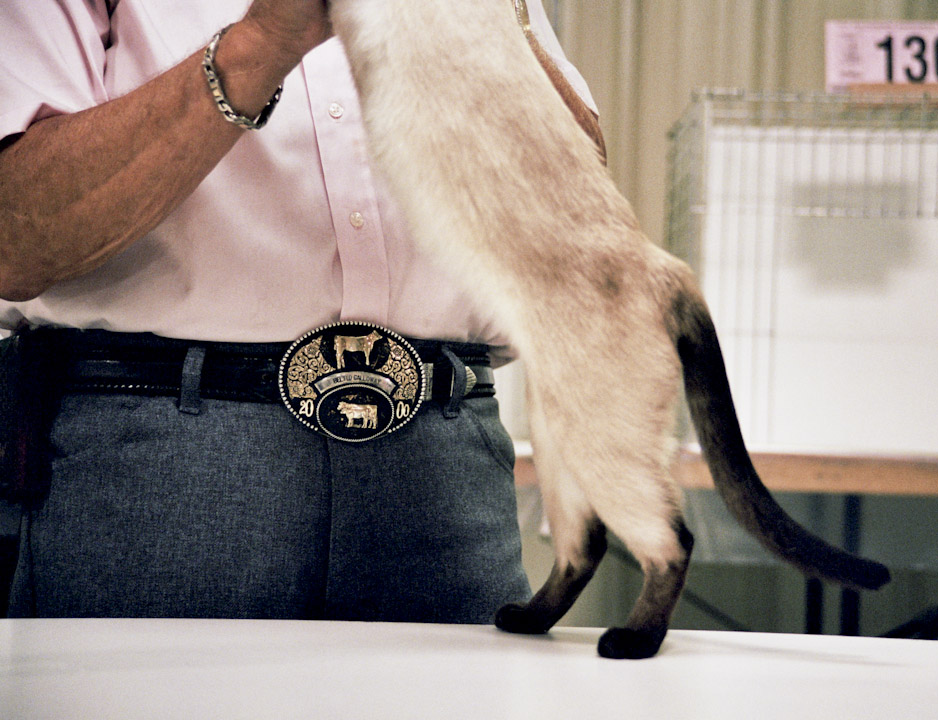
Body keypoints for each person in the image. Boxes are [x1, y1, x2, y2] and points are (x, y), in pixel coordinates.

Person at [0, 0, 598, 622]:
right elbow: (13, 238)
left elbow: (579, 217)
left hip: (450, 463)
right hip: (159, 470)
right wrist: (260, 43)